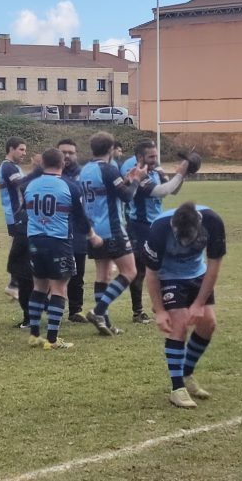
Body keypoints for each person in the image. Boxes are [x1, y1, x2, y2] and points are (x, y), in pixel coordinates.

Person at [144, 201, 227, 410]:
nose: (183, 244)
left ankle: (187, 372)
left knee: (208, 324)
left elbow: (214, 265)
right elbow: (151, 274)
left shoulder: (213, 222)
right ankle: (177, 388)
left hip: (197, 273)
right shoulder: (159, 228)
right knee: (179, 325)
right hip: (168, 276)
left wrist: (199, 303)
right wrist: (160, 311)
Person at [23, 148, 102, 350]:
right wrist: (92, 236)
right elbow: (81, 218)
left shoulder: (30, 185)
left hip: (34, 240)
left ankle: (34, 335)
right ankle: (51, 339)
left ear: (42, 164)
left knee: (39, 286)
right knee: (59, 288)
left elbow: (25, 211)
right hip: (58, 241)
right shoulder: (70, 187)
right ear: (63, 164)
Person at [79, 131, 146, 336]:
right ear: (110, 149)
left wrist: (125, 179)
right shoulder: (108, 169)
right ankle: (98, 311)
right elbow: (126, 197)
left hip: (93, 230)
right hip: (112, 228)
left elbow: (109, 191)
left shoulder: (86, 170)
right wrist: (136, 180)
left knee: (104, 275)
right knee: (130, 272)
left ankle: (104, 323)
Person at [126, 142, 192, 324]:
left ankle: (162, 305)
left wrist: (183, 173)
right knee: (140, 270)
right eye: (151, 157)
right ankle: (138, 312)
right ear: (140, 158)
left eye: (156, 156)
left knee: (162, 266)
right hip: (140, 227)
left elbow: (174, 190)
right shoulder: (138, 174)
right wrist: (180, 172)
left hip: (155, 226)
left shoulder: (155, 171)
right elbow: (162, 191)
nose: (155, 160)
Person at [0, 136, 39, 326]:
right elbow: (21, 185)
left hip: (18, 216)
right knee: (23, 252)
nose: (24, 153)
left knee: (23, 251)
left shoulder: (12, 167)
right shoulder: (8, 167)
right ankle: (14, 283)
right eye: (21, 150)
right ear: (11, 149)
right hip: (17, 217)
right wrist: (38, 171)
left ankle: (16, 283)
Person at [57, 139, 89, 324]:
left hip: (77, 233)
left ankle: (75, 310)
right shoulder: (51, 174)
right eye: (63, 152)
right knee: (54, 274)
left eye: (71, 152)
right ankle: (52, 311)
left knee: (77, 274)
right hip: (56, 233)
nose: (67, 156)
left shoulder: (84, 175)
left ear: (76, 155)